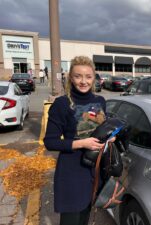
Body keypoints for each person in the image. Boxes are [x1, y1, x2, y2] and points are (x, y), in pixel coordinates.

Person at [44, 56, 112, 225]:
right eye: (78, 76)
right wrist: (82, 143)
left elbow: (101, 129)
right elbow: (50, 142)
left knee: (85, 219)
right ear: (70, 78)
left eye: (88, 77)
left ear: (94, 78)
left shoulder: (100, 101)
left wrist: (110, 136)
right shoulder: (62, 104)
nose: (83, 81)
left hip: (94, 171)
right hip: (72, 173)